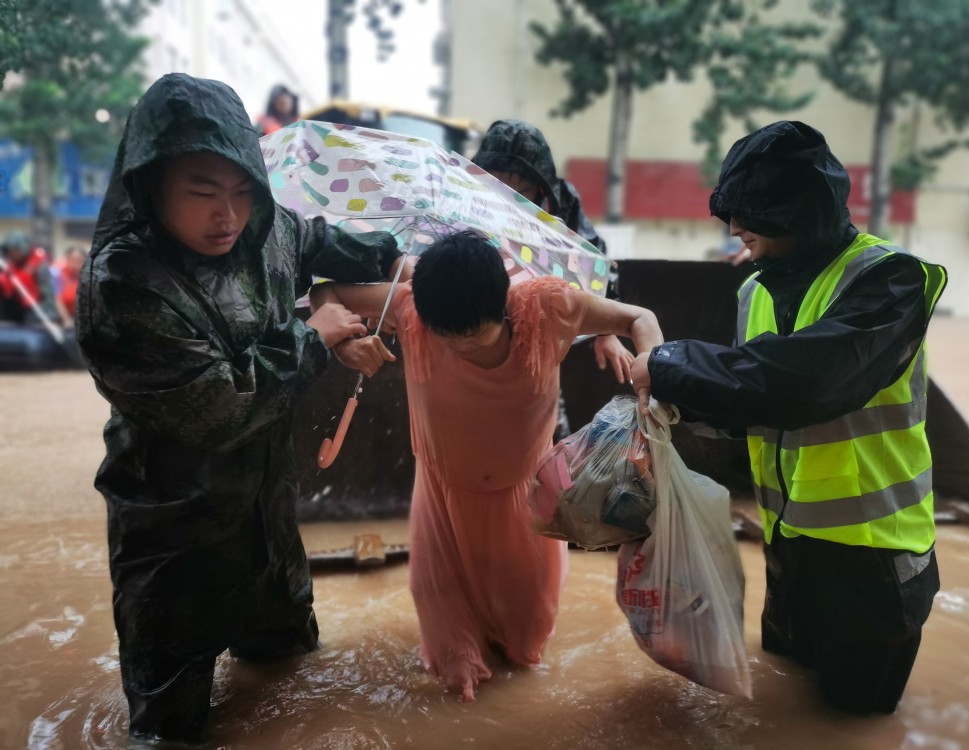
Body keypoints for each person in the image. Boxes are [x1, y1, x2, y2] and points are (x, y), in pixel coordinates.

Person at [75, 72, 406, 744]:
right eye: (202, 194)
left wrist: (393, 251)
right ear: (151, 185)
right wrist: (313, 338)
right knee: (170, 728)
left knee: (290, 674)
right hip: (173, 533)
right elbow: (219, 407)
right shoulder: (122, 284)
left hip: (266, 514)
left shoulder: (264, 228)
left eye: (240, 193)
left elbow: (312, 237)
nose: (226, 216)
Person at [629, 121, 947, 715]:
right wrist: (674, 410)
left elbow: (806, 381)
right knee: (786, 696)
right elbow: (751, 397)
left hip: (872, 558)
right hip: (789, 545)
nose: (734, 228)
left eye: (750, 213)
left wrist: (669, 364)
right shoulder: (756, 290)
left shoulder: (890, 280)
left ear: (797, 213)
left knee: (854, 718)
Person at [310, 230, 662, 701]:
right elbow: (323, 291)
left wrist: (651, 365)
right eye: (446, 336)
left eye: (474, 335)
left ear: (503, 306)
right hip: (440, 498)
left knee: (526, 647)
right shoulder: (410, 307)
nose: (460, 347)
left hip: (526, 499)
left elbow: (641, 317)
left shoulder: (547, 309)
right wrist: (343, 343)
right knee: (451, 666)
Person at [472, 119, 632, 438]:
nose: (510, 201)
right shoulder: (465, 201)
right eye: (498, 187)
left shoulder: (561, 203)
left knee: (547, 425)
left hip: (539, 331)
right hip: (479, 330)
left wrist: (605, 332)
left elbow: (593, 258)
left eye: (523, 192)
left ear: (542, 190)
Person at [0, 230, 59, 324]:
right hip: (8, 306)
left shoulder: (39, 266)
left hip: (33, 308)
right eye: (10, 251)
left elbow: (47, 292)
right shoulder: (4, 264)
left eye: (16, 250)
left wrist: (49, 311)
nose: (12, 254)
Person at [53, 245, 86, 325]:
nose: (75, 264)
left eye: (79, 260)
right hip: (65, 317)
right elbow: (57, 299)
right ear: (67, 259)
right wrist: (66, 319)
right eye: (73, 260)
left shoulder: (89, 275)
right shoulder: (59, 274)